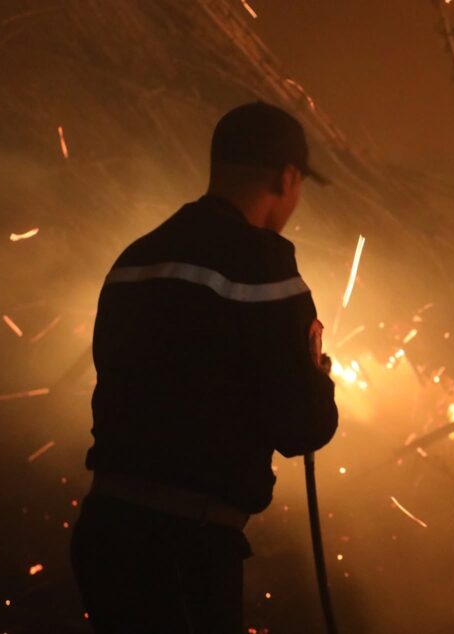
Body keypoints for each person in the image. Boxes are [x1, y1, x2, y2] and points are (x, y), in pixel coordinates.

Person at [70, 102, 339, 633]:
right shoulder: (265, 270)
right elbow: (302, 427)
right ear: (287, 178)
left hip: (106, 534)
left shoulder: (138, 258)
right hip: (182, 548)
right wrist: (319, 380)